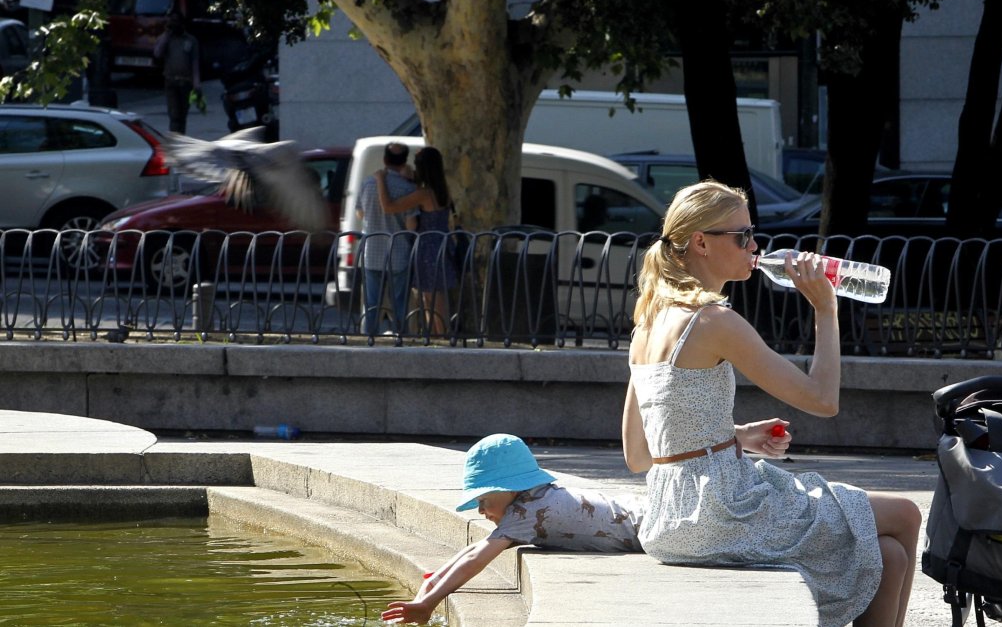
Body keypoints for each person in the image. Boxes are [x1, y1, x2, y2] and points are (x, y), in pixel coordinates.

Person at [621, 181, 921, 627]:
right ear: (701, 242)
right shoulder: (714, 320)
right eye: (742, 235)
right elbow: (823, 400)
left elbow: (639, 455)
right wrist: (825, 308)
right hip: (723, 509)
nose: (755, 245)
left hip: (671, 517)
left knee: (889, 555)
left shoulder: (647, 321)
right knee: (906, 514)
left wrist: (733, 438)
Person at [380, 433, 643, 625]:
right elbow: (474, 549)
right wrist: (434, 581)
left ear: (510, 490)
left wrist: (428, 603)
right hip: (639, 512)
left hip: (645, 526)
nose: (480, 511)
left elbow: (475, 558)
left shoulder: (525, 512)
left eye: (483, 500)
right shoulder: (534, 499)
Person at [378, 146, 459, 335]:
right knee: (431, 298)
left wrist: (381, 180)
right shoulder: (442, 190)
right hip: (443, 244)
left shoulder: (424, 194)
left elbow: (389, 207)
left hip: (427, 248)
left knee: (431, 299)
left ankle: (442, 337)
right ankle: (437, 336)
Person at [357, 142, 418, 336]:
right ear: (404, 162)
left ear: (384, 160)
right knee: (399, 301)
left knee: (371, 302)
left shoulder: (367, 183)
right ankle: (400, 336)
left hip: (371, 251)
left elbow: (360, 213)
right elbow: (411, 225)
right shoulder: (408, 188)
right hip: (399, 253)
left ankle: (369, 337)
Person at [153, 10, 201, 134]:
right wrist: (167, 34)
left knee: (182, 114)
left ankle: (181, 136)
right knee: (174, 114)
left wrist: (196, 83)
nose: (174, 24)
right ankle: (174, 138)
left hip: (186, 82)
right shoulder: (166, 39)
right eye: (172, 21)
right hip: (171, 82)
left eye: (176, 21)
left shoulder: (191, 40)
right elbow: (157, 54)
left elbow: (195, 63)